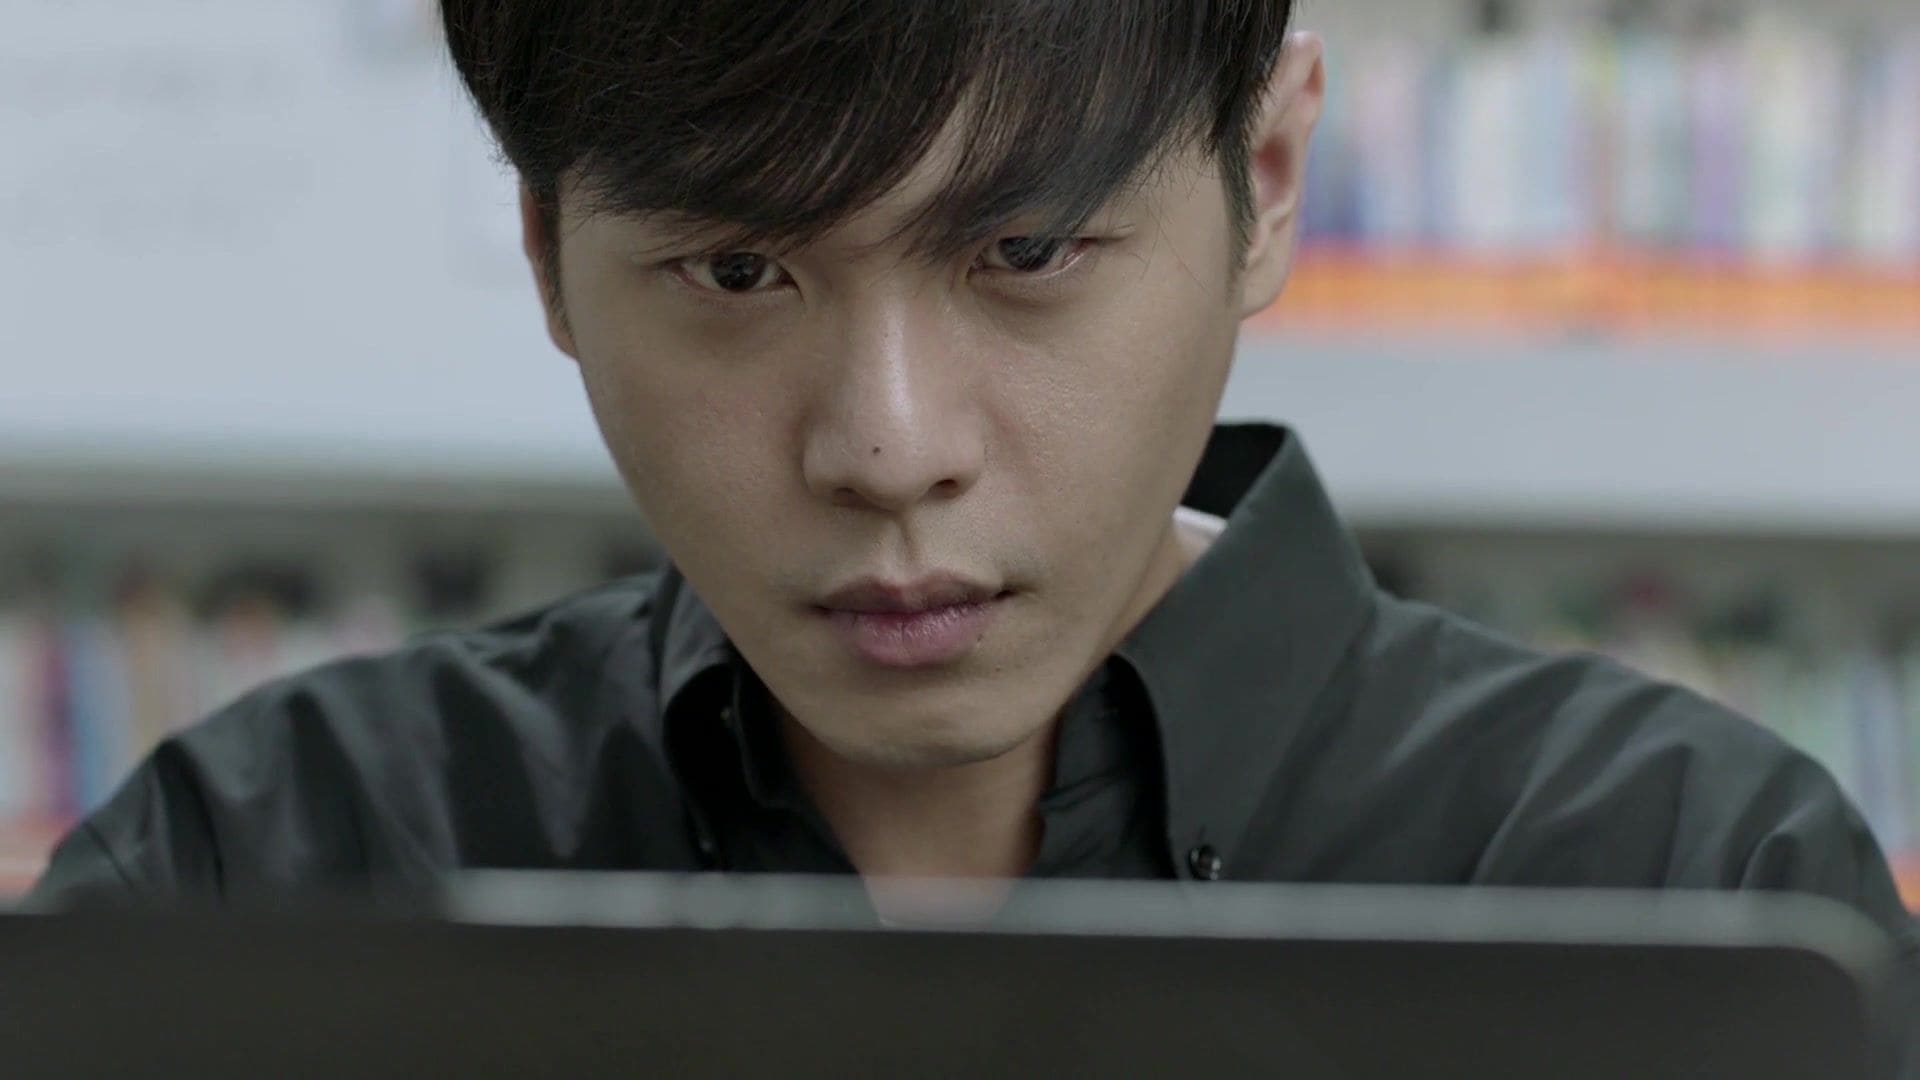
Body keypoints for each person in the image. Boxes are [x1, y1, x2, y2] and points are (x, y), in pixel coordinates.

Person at [26, 2, 1916, 973]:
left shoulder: (1691, 889)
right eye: (737, 272)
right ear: (547, 259)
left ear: (1265, 180)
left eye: (1024, 253)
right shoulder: (265, 871)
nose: (888, 446)